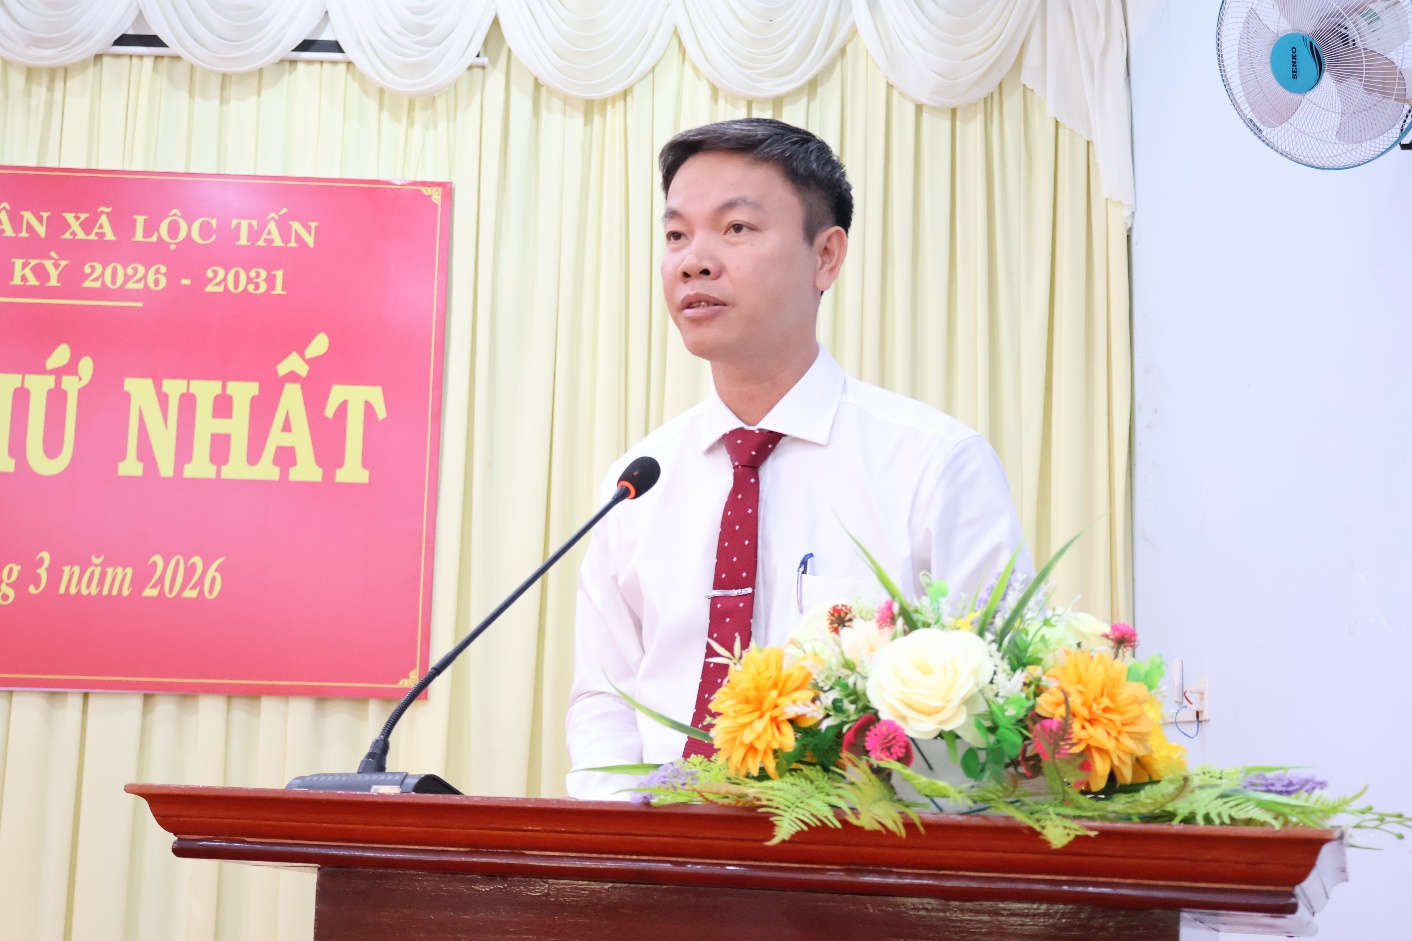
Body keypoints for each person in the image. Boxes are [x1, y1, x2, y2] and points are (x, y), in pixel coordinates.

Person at [565, 118, 1031, 800]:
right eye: (676, 235)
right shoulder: (637, 482)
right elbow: (605, 695)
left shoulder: (936, 465)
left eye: (736, 228)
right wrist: (617, 837)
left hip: (860, 846)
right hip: (659, 849)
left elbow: (1004, 697)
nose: (694, 261)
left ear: (826, 257)